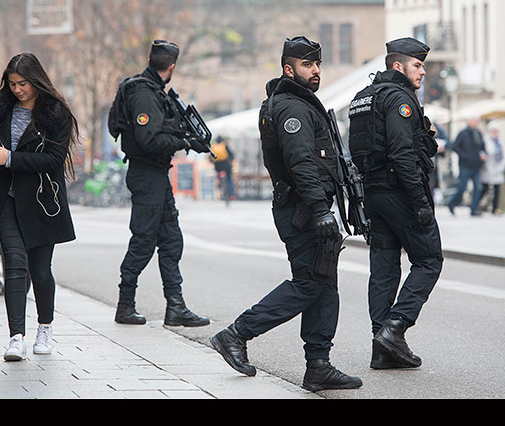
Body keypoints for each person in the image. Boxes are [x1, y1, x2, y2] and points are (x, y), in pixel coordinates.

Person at [209, 36, 362, 392]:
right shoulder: (291, 108)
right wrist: (322, 210)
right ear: (288, 68)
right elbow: (300, 162)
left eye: (318, 65)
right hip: (304, 209)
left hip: (308, 207)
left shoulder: (299, 103)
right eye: (309, 65)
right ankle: (236, 334)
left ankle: (319, 364)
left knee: (324, 283)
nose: (317, 72)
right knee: (309, 283)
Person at [348, 37, 443, 369]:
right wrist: (419, 199)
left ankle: (381, 349)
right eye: (417, 66)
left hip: (373, 194)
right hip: (399, 191)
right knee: (429, 260)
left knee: (384, 268)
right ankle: (395, 327)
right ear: (397, 66)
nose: (422, 72)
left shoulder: (362, 97)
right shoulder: (399, 98)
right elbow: (403, 152)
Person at [0, 52, 79, 361]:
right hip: (5, 199)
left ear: (36, 81)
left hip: (40, 200)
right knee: (15, 266)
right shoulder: (0, 108)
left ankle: (44, 328)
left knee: (40, 269)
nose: (18, 89)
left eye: (23, 83)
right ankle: (15, 337)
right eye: (12, 83)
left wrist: (9, 158)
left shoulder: (55, 113)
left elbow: (53, 160)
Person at [108, 39, 209, 327]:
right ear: (172, 66)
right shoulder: (142, 92)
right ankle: (125, 305)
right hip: (145, 174)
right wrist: (186, 141)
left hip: (156, 176)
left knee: (171, 240)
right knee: (143, 240)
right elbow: (149, 139)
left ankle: (175, 307)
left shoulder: (153, 91)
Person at [447, 117, 487, 216]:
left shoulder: (478, 133)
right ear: (469, 122)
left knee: (477, 188)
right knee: (462, 187)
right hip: (465, 165)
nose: (475, 123)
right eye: (474, 121)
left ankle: (473, 209)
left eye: (476, 121)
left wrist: (483, 154)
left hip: (476, 165)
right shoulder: (462, 133)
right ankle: (452, 204)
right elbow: (455, 147)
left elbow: (482, 147)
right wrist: (465, 156)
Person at [479, 122, 504, 214]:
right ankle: (477, 205)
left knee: (497, 189)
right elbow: (483, 152)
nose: (496, 132)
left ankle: (494, 208)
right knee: (485, 188)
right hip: (487, 167)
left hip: (497, 168)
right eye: (494, 130)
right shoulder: (486, 140)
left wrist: (502, 166)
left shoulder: (499, 141)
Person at [211, 136, 236, 200]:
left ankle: (219, 183)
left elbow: (210, 157)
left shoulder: (213, 147)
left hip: (217, 166)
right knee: (229, 179)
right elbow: (231, 155)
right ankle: (231, 194)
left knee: (218, 175)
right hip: (226, 165)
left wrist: (213, 162)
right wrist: (231, 160)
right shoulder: (224, 145)